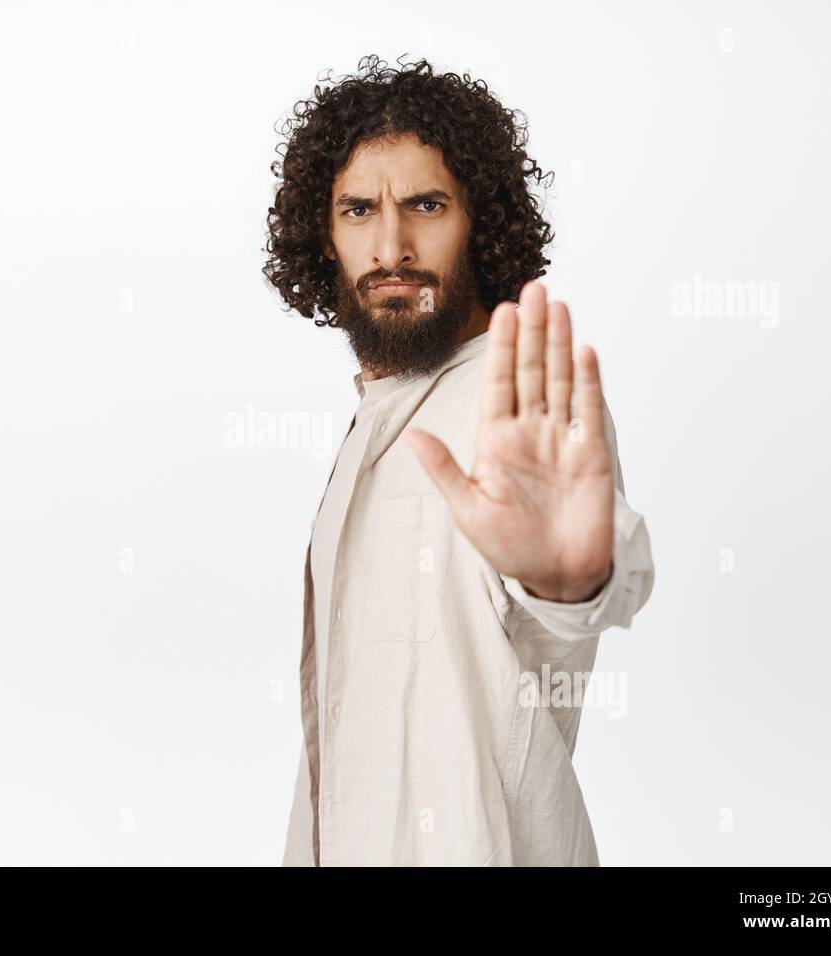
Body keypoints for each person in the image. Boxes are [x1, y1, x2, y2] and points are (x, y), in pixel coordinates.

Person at [262, 55, 656, 866]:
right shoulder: (379, 413)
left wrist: (569, 579)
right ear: (324, 233)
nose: (391, 245)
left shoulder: (512, 403)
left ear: (484, 221)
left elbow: (574, 599)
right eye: (358, 209)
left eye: (427, 205)